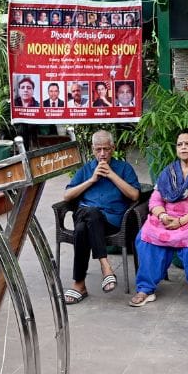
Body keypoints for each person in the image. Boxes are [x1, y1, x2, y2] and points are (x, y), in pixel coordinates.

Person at [131, 129, 188, 311]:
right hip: (168, 217)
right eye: (180, 144)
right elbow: (155, 200)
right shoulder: (168, 172)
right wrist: (163, 216)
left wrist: (183, 220)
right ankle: (146, 289)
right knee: (147, 235)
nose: (183, 147)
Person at [60, 130, 141, 304]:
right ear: (92, 149)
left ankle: (79, 284)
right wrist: (92, 180)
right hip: (87, 215)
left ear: (113, 148)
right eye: (98, 149)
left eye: (106, 149)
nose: (102, 154)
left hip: (110, 222)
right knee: (89, 214)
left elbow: (134, 195)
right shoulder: (86, 169)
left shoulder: (124, 168)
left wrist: (111, 174)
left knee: (82, 227)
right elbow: (67, 196)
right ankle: (105, 266)